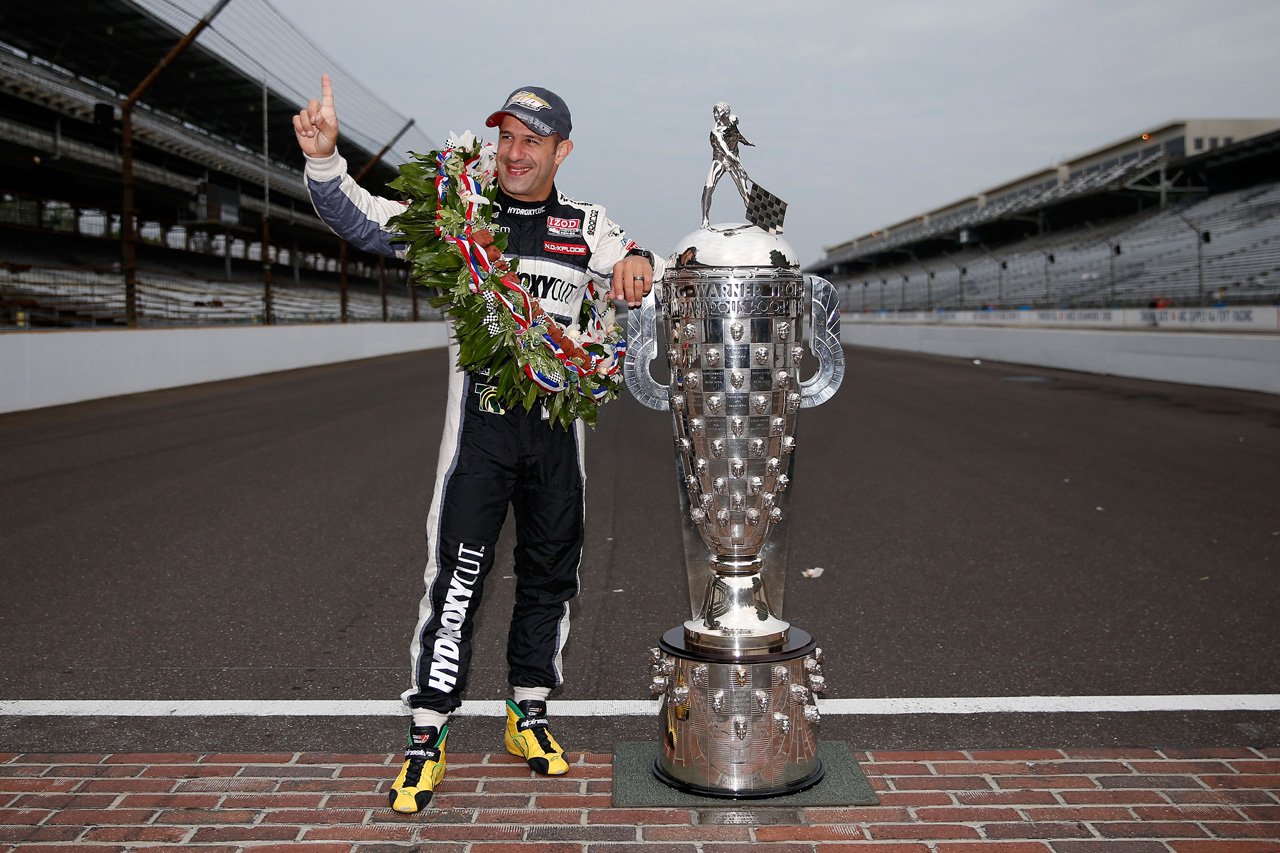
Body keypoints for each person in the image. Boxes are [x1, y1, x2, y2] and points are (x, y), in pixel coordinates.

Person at [293, 77, 662, 813]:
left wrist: (638, 264)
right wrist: (326, 162)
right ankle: (427, 733)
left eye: (531, 140)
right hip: (480, 440)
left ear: (562, 150)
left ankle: (528, 711)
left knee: (552, 576)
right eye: (505, 137)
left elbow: (638, 272)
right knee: (456, 586)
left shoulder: (589, 226)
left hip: (559, 439)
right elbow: (365, 222)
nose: (514, 153)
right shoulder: (461, 218)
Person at [700, 101, 754, 228]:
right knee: (708, 187)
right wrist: (740, 167)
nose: (716, 114)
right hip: (720, 159)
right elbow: (726, 153)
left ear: (727, 113)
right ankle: (705, 219)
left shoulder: (733, 121)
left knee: (744, 190)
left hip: (734, 158)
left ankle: (755, 217)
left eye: (719, 111)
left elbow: (736, 134)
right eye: (715, 111)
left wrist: (746, 142)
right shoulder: (716, 132)